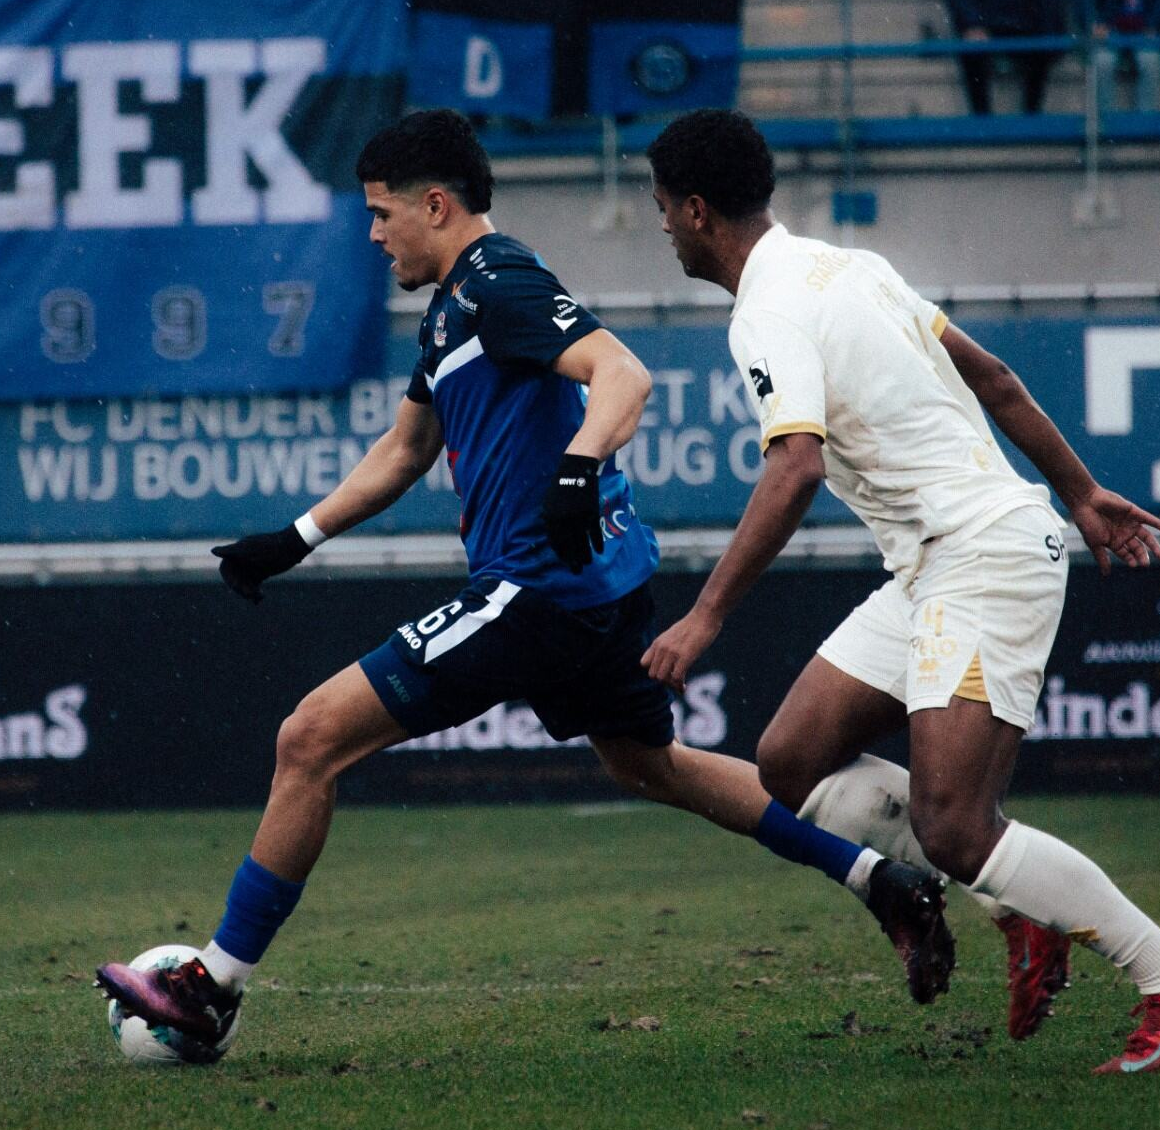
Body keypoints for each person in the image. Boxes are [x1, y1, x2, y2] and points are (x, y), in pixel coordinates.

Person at [94, 111, 954, 1056]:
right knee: (646, 765)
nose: (373, 235)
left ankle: (212, 986)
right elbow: (406, 448)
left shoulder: (499, 282)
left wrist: (580, 464)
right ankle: (881, 880)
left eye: (382, 215)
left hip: (539, 592)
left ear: (435, 204)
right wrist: (294, 538)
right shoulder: (451, 307)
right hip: (593, 589)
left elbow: (621, 374)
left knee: (310, 739)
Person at [637, 107, 1160, 1070]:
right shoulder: (852, 266)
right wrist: (1080, 491)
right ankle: (1022, 907)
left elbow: (793, 467)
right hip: (931, 563)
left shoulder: (766, 309)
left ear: (698, 210)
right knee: (789, 765)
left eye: (662, 207)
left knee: (954, 826)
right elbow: (995, 379)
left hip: (984, 555)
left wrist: (704, 618)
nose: (660, 225)